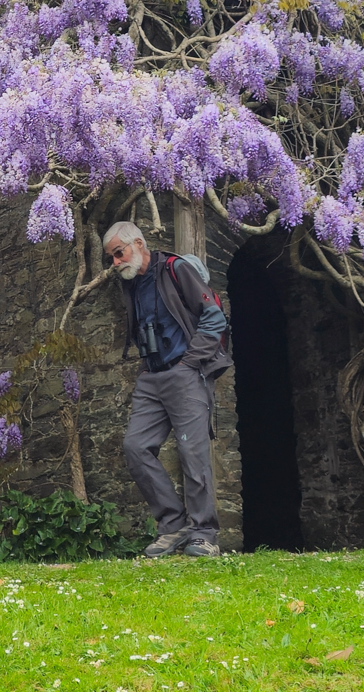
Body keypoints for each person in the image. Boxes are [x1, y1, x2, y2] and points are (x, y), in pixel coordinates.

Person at [104, 220, 232, 558]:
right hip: (151, 376)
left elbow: (215, 317)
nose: (116, 263)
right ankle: (173, 526)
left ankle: (204, 534)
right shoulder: (131, 283)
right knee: (135, 446)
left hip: (184, 373)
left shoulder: (176, 269)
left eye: (119, 254)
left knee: (193, 453)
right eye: (112, 258)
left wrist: (191, 362)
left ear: (140, 244)